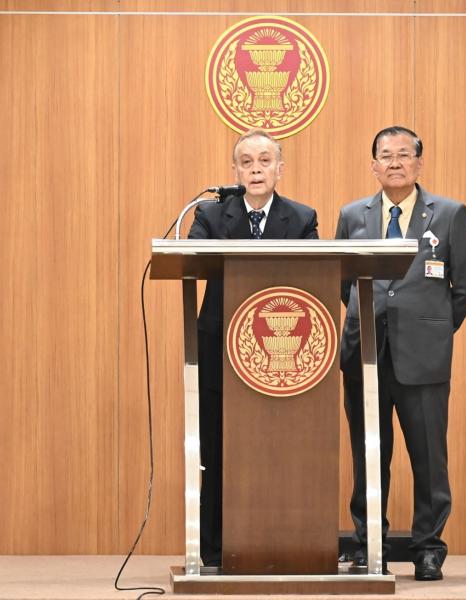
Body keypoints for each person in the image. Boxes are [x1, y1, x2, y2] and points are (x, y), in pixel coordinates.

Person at [335, 126, 466, 581]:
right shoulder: (352, 215)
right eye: (385, 155)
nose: (394, 162)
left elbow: (464, 287)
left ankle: (428, 548)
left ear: (419, 163)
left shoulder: (450, 214)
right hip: (365, 353)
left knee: (429, 458)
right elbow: (343, 284)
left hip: (424, 356)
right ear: (373, 165)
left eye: (403, 154)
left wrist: (433, 330)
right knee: (368, 456)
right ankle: (369, 545)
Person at [188, 129, 319, 567]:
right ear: (235, 171)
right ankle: (213, 548)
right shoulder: (210, 215)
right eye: (247, 162)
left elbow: (314, 277)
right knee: (218, 447)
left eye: (265, 161)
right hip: (220, 346)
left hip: (281, 352)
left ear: (280, 169)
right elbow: (193, 260)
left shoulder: (302, 218)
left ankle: (281, 541)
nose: (256, 169)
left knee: (278, 445)